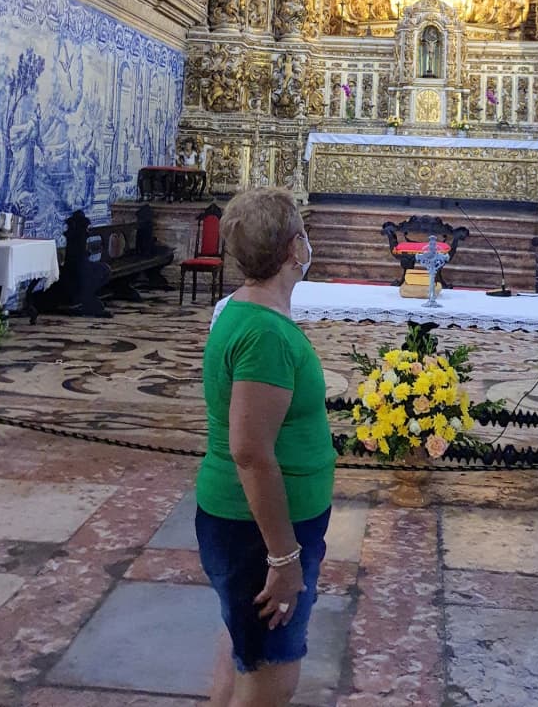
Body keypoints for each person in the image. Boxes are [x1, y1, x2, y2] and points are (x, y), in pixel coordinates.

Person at [195, 188, 336, 707]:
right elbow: (251, 450)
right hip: (258, 529)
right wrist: (283, 556)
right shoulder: (265, 334)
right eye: (304, 235)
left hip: (246, 521)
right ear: (295, 248)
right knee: (271, 680)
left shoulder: (239, 310)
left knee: (244, 647)